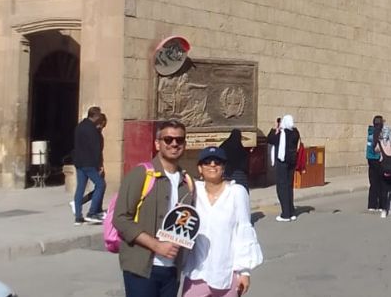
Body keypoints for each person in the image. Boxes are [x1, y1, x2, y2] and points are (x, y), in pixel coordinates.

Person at [113, 119, 195, 297]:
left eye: (179, 140)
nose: (174, 144)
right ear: (158, 144)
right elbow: (120, 218)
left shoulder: (187, 182)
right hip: (141, 268)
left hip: (172, 269)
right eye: (168, 139)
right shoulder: (141, 174)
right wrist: (156, 245)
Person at [182, 146, 263, 297]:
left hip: (227, 274)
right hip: (197, 272)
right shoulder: (194, 191)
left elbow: (243, 231)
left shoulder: (237, 192)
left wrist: (244, 272)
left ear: (224, 167)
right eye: (207, 162)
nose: (212, 165)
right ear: (200, 168)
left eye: (217, 162)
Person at [72, 106, 107, 225]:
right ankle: (92, 213)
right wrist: (99, 165)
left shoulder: (80, 127)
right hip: (89, 163)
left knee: (80, 188)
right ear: (96, 116)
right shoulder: (93, 130)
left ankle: (78, 216)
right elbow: (95, 149)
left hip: (79, 162)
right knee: (101, 184)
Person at [267, 114, 300, 221]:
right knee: (289, 187)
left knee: (282, 187)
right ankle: (291, 211)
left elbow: (270, 139)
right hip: (292, 162)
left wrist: (274, 128)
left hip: (282, 162)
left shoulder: (281, 134)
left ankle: (285, 214)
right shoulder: (295, 132)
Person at [366, 116, 384, 211]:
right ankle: (381, 205)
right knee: (380, 182)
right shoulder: (379, 133)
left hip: (370, 158)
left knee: (373, 183)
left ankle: (372, 205)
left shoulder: (370, 131)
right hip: (378, 159)